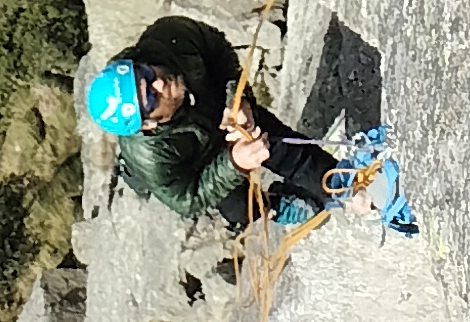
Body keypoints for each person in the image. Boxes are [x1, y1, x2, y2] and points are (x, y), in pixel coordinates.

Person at [85, 21, 335, 230]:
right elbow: (187, 199)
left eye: (145, 75)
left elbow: (218, 50)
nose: (159, 84)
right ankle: (273, 205)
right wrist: (234, 164)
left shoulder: (169, 38)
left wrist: (237, 99)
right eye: (150, 98)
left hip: (218, 110)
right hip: (197, 161)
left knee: (279, 144)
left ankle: (340, 184)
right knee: (241, 209)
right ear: (148, 124)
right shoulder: (150, 156)